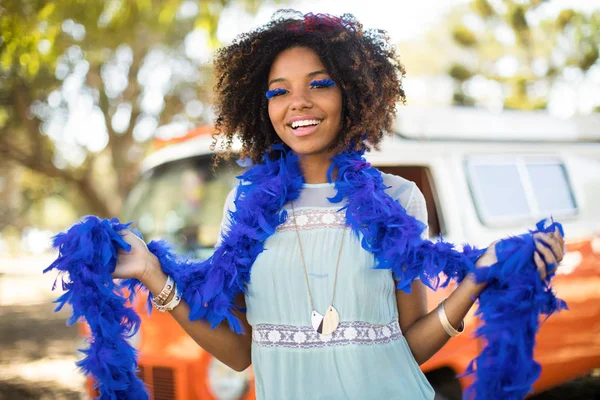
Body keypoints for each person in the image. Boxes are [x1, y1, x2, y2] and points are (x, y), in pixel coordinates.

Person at [111, 11, 565, 400]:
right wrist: (153, 273)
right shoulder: (244, 206)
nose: (299, 103)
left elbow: (409, 347)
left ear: (351, 93)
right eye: (279, 91)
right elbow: (238, 353)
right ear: (262, 105)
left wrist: (476, 280)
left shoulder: (398, 197)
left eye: (319, 84)